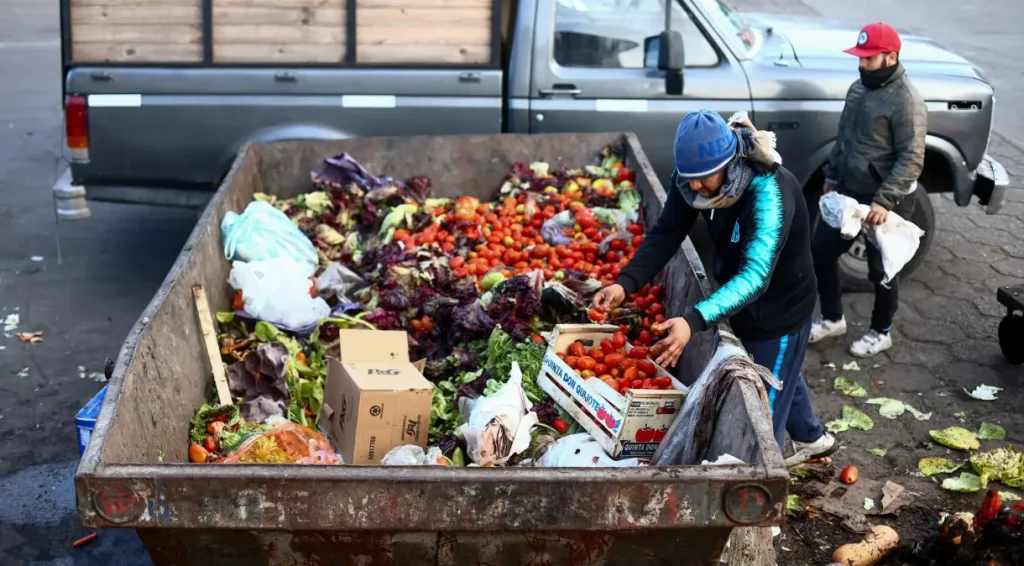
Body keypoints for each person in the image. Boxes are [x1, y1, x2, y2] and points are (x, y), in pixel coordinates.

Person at [592, 110, 837, 464]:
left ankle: (759, 493)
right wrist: (625, 283)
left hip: (777, 312)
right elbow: (667, 232)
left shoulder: (769, 193)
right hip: (738, 298)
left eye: (702, 179)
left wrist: (691, 321)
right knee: (780, 371)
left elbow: (755, 277)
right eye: (688, 178)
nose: (693, 187)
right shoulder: (693, 175)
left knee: (759, 422)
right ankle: (813, 438)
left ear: (728, 162)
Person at [810, 22, 927, 357]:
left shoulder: (907, 100)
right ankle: (833, 318)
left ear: (890, 57)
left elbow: (912, 158)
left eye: (869, 59)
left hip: (885, 201)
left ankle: (881, 331)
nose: (862, 64)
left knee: (882, 270)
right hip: (847, 191)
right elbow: (844, 137)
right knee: (821, 253)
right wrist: (831, 176)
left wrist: (884, 201)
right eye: (860, 58)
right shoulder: (857, 89)